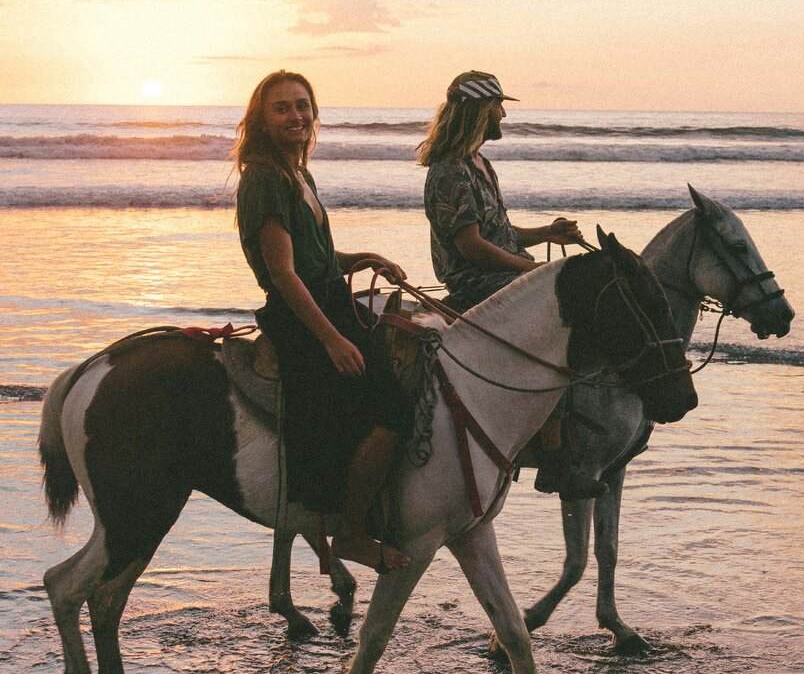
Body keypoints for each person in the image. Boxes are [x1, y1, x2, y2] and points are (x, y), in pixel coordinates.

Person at [233, 71, 414, 573]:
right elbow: (284, 274)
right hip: (302, 317)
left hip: (329, 299)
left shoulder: (299, 172)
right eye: (281, 108)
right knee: (393, 409)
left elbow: (316, 255)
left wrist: (363, 258)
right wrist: (332, 340)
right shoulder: (266, 178)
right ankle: (352, 534)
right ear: (261, 120)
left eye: (302, 106)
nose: (295, 116)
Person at [417, 70, 583, 311]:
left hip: (504, 276)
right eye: (498, 105)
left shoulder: (480, 163)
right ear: (481, 109)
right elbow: (471, 246)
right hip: (480, 284)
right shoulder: (450, 172)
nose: (504, 114)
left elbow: (497, 235)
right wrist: (532, 269)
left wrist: (547, 233)